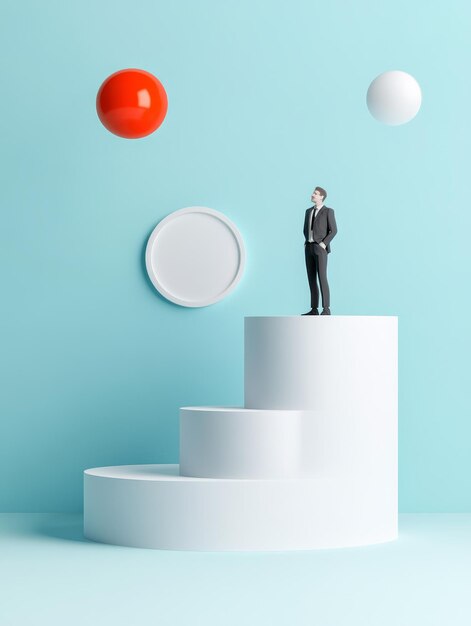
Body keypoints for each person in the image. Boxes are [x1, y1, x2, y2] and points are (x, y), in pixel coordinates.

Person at [302, 186, 337, 316]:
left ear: (321, 196)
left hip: (319, 247)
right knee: (311, 278)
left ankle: (326, 308)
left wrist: (323, 244)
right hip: (309, 247)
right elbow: (305, 229)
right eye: (313, 193)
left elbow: (333, 230)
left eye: (315, 193)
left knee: (322, 277)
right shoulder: (308, 211)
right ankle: (314, 308)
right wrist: (307, 243)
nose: (313, 195)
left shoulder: (328, 211)